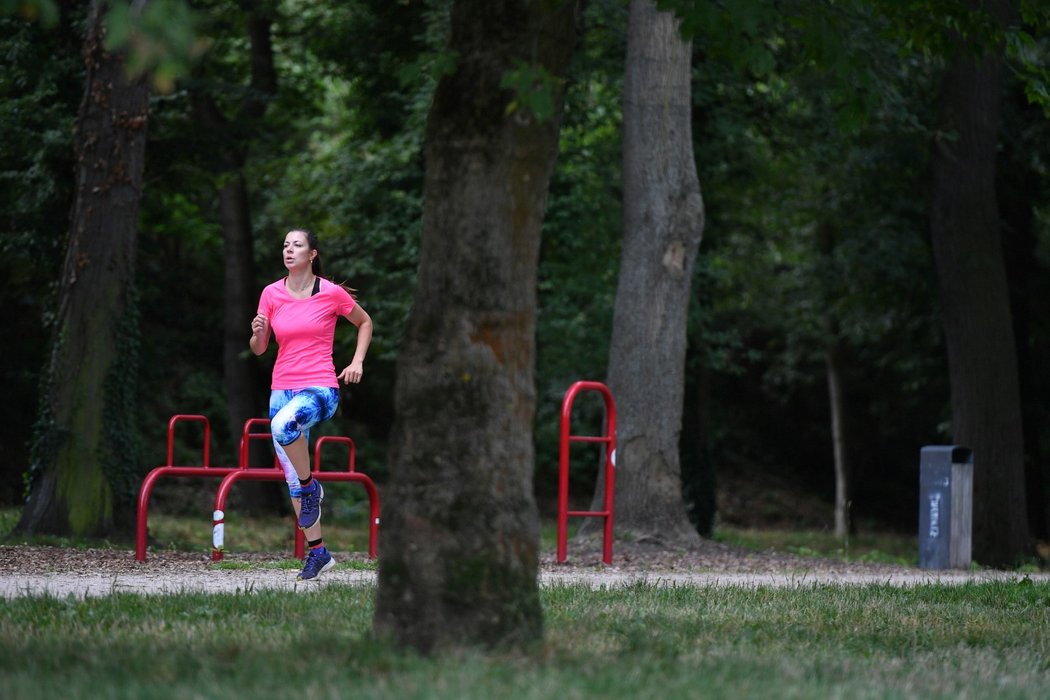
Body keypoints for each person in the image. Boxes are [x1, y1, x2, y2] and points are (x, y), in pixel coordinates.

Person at [249, 229, 373, 581]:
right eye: (285, 244)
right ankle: (318, 553)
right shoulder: (270, 293)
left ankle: (311, 486)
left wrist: (357, 361)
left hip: (319, 388)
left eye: (297, 245)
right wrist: (258, 331)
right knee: (290, 477)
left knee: (283, 430)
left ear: (312, 254)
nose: (289, 250)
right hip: (281, 389)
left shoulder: (330, 293)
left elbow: (364, 322)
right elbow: (260, 349)